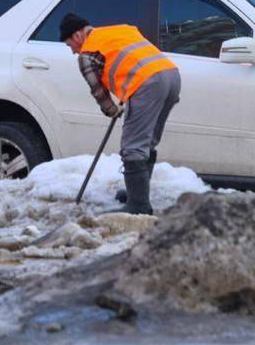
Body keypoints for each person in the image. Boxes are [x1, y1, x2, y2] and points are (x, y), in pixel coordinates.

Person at [60, 14, 180, 215]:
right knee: (147, 140)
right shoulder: (120, 30)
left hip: (147, 84)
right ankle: (138, 195)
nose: (72, 51)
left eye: (69, 44)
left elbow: (98, 90)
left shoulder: (87, 53)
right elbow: (133, 58)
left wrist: (111, 110)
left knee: (133, 146)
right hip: (171, 76)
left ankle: (138, 205)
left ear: (77, 35)